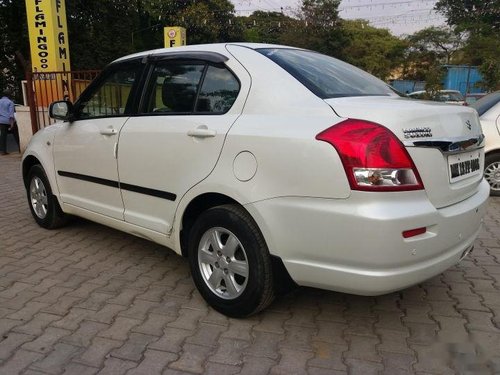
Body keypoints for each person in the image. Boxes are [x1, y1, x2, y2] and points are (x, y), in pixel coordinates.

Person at [0, 89, 15, 155]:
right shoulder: (10, 102)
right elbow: (11, 114)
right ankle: (21, 148)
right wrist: (12, 124)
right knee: (16, 133)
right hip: (7, 121)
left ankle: (3, 151)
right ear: (9, 95)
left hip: (0, 121)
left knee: (2, 136)